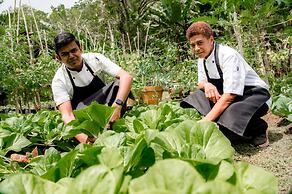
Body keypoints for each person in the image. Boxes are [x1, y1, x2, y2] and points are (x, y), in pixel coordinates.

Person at [181, 21, 271, 147]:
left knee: (229, 116)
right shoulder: (202, 59)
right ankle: (235, 128)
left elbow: (229, 96)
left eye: (200, 43)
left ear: (211, 39)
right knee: (195, 98)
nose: (196, 48)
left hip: (255, 96)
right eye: (193, 45)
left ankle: (259, 128)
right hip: (232, 98)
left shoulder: (228, 55)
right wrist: (207, 85)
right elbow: (200, 83)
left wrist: (206, 121)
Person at [52, 32, 133, 143]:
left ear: (81, 48)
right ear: (58, 58)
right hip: (86, 119)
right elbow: (67, 115)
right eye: (65, 54)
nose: (71, 56)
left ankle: (118, 121)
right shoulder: (59, 80)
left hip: (106, 110)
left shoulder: (95, 59)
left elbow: (126, 77)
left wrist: (117, 107)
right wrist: (86, 140)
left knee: (119, 84)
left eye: (73, 50)